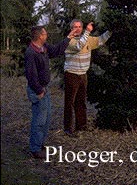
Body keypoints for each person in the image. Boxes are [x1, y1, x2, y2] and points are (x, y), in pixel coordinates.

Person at [24, 25, 90, 159]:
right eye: (45, 34)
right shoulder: (31, 53)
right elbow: (31, 75)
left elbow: (57, 50)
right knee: (39, 120)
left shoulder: (44, 48)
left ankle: (40, 144)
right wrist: (39, 90)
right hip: (38, 90)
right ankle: (35, 149)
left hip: (44, 89)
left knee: (46, 119)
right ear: (39, 36)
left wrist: (69, 37)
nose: (46, 35)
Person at [64, 19, 112, 136]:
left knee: (81, 101)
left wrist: (111, 30)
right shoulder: (69, 42)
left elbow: (100, 40)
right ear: (71, 29)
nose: (78, 29)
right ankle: (68, 128)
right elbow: (79, 46)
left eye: (80, 26)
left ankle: (81, 126)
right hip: (72, 74)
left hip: (83, 75)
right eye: (75, 27)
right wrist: (87, 31)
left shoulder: (88, 39)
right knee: (70, 102)